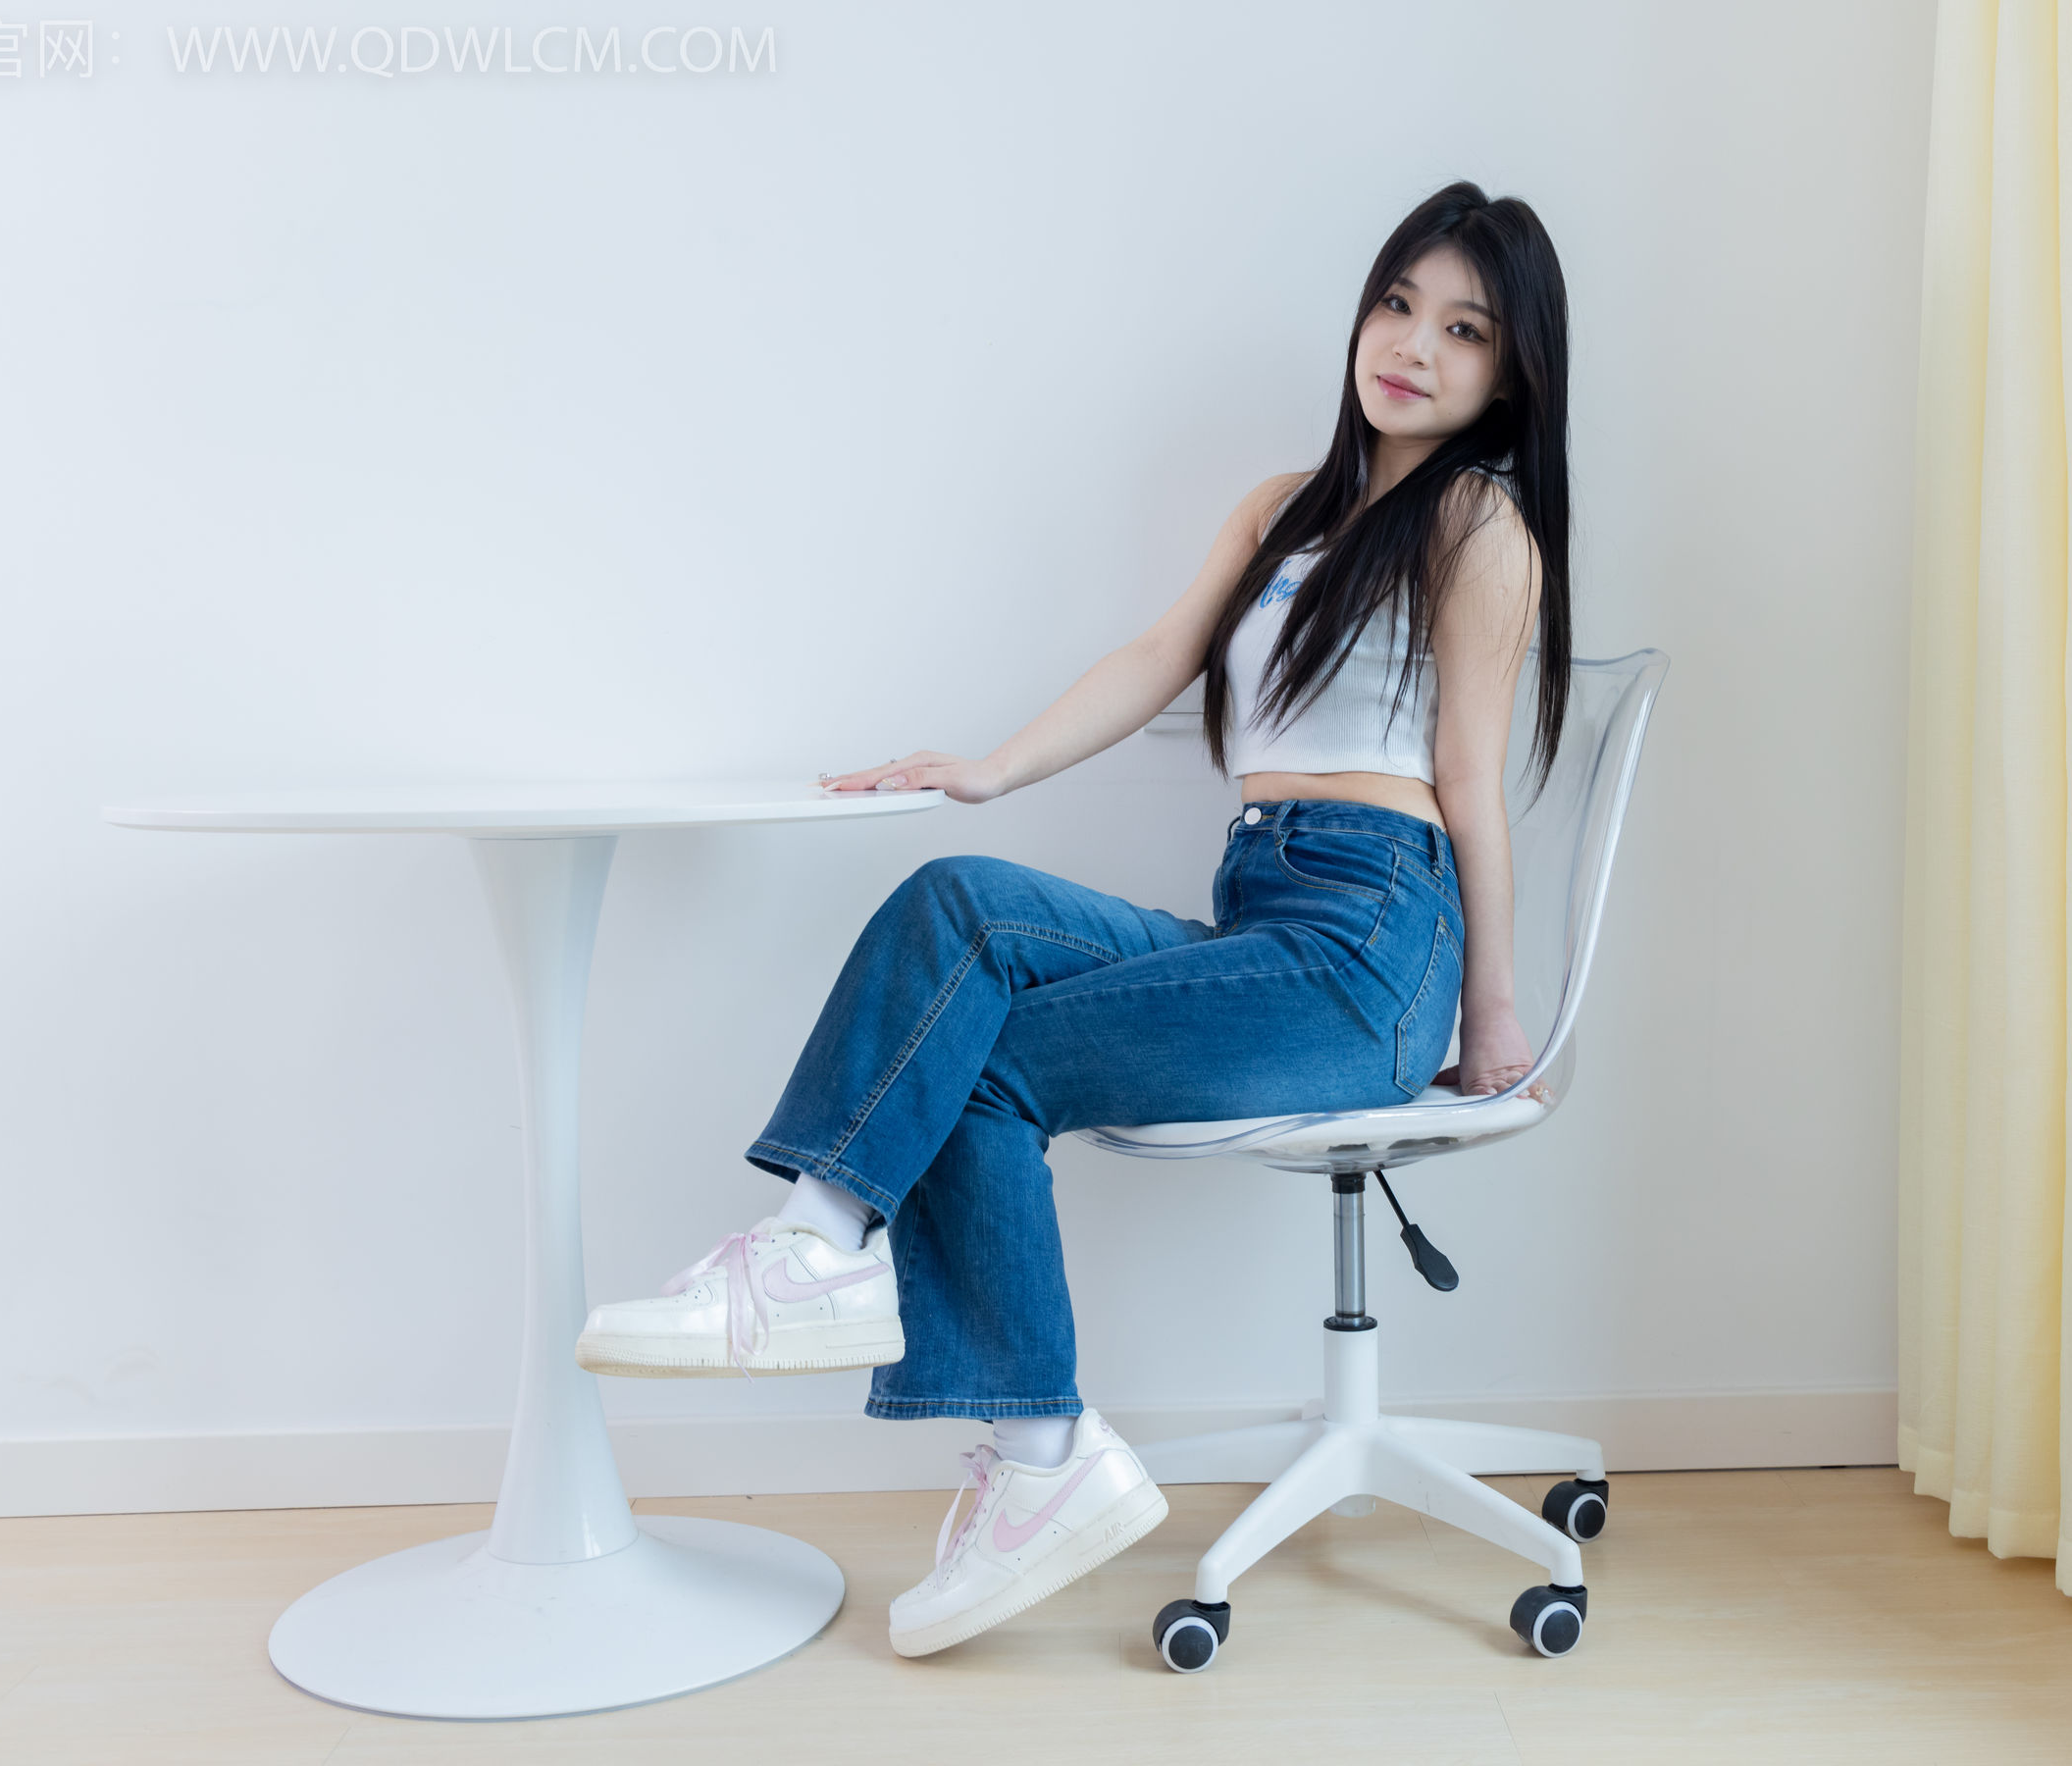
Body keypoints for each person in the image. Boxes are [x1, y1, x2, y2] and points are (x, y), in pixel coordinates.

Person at [576, 181, 1574, 1659]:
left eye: (1464, 330)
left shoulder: (1478, 523)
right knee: (958, 916)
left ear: (1509, 374)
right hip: (1263, 917)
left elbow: (1471, 784)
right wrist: (986, 770)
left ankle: (947, 1372)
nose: (1413, 345)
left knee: (973, 1051)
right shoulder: (1279, 511)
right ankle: (909, 1333)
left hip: (1371, 948)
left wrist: (1492, 1008)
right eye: (1396, 303)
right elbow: (1159, 654)